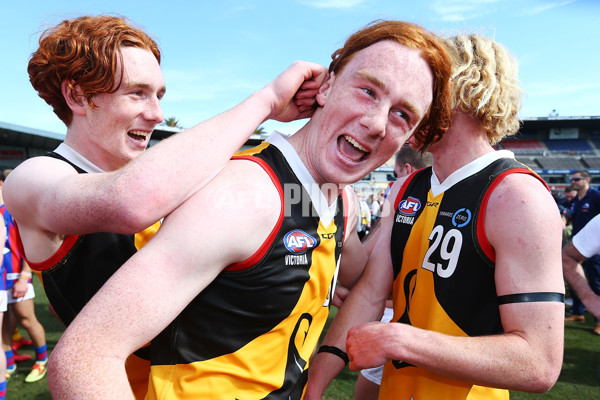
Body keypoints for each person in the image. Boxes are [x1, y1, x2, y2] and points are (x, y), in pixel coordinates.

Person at [48, 19, 453, 399]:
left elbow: (363, 277)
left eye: (403, 114)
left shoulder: (339, 199)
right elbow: (85, 355)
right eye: (367, 91)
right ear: (326, 87)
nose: (379, 123)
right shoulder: (245, 195)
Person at [4, 14, 329, 397]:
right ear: (77, 96)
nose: (157, 114)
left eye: (159, 95)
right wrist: (267, 101)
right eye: (137, 93)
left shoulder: (156, 172)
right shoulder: (34, 177)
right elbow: (131, 201)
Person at [305, 33, 565, 399]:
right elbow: (370, 294)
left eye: (424, 85)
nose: (408, 100)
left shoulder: (516, 196)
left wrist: (401, 340)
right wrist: (316, 383)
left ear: (456, 91)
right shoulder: (406, 189)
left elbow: (539, 363)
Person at [354, 144, 432, 400]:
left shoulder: (402, 194)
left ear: (407, 169)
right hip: (438, 324)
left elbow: (366, 258)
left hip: (396, 314)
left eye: (396, 173)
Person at [0, 170, 48, 383]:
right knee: (4, 327)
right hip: (2, 280)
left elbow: (31, 244)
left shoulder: (14, 209)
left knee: (27, 320)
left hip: (17, 276)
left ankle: (42, 360)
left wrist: (23, 276)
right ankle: (8, 363)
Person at [565, 170, 600, 332]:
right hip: (577, 245)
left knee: (595, 283)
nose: (573, 182)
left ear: (587, 179)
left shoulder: (595, 196)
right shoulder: (576, 199)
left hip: (593, 248)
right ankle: (578, 312)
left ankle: (598, 320)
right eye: (572, 179)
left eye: (576, 179)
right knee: (576, 280)